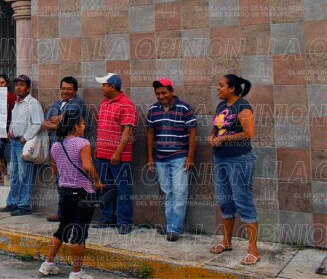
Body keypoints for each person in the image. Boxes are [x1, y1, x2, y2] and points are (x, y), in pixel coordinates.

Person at [38, 108, 103, 279]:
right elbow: (88, 166)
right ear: (75, 127)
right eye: (81, 123)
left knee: (63, 229)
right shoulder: (83, 143)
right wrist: (97, 181)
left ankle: (48, 264)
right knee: (79, 233)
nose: (84, 126)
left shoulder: (56, 146)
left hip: (65, 191)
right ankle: (76, 273)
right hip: (83, 192)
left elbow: (55, 170)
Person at [208, 74, 260, 266]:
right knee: (225, 200)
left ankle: (254, 249)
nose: (218, 88)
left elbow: (249, 133)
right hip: (220, 158)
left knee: (243, 200)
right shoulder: (222, 106)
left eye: (221, 85)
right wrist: (212, 136)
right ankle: (226, 242)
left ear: (232, 88)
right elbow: (216, 128)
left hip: (239, 160)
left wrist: (223, 139)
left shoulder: (243, 107)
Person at [146, 77, 197, 242]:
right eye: (157, 93)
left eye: (163, 92)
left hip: (180, 157)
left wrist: (190, 157)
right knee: (168, 193)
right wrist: (150, 157)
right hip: (160, 158)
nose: (161, 96)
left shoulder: (184, 108)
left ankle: (174, 229)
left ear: (171, 91)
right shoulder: (153, 110)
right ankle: (170, 227)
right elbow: (150, 133)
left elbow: (193, 133)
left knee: (180, 192)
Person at [92, 73, 138, 235]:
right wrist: (99, 146)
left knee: (122, 189)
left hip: (119, 157)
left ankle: (125, 221)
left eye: (104, 85)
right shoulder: (105, 103)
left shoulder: (127, 105)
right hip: (103, 155)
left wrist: (118, 152)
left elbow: (128, 131)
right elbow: (103, 127)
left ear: (112, 86)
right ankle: (107, 218)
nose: (102, 88)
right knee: (106, 188)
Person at [43, 76, 87, 222]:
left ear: (75, 90)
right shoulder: (57, 104)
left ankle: (73, 215)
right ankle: (62, 213)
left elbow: (70, 120)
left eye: (69, 89)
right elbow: (45, 123)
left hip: (72, 149)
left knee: (72, 183)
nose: (65, 91)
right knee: (61, 182)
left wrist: (58, 121)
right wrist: (61, 122)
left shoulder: (78, 103)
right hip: (58, 148)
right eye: (63, 88)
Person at [0, 75, 44, 216]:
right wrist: (10, 131)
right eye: (17, 84)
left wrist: (25, 137)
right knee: (14, 175)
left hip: (24, 144)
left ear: (28, 88)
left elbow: (38, 123)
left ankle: (24, 206)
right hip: (14, 142)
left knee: (25, 175)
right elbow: (16, 120)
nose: (18, 87)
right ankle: (13, 203)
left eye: (22, 85)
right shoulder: (17, 103)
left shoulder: (33, 103)